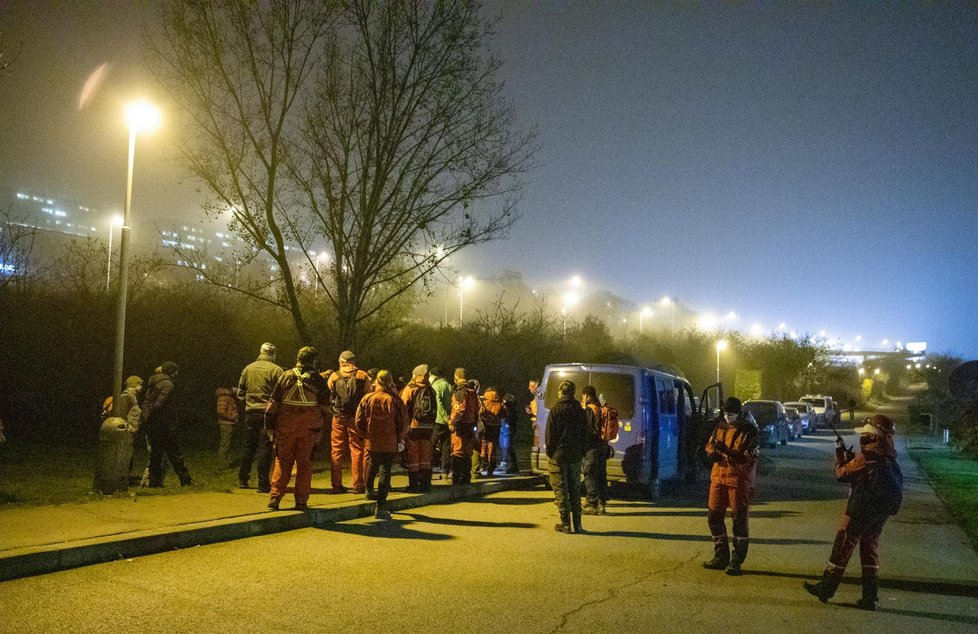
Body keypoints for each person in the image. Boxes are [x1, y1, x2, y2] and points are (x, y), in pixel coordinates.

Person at [804, 414, 903, 610]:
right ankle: (870, 597)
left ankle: (826, 588)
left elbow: (842, 474)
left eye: (866, 434)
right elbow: (864, 473)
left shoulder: (868, 455)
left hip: (861, 508)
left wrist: (840, 455)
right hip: (880, 510)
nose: (863, 437)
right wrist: (851, 458)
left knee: (843, 545)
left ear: (874, 435)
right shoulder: (887, 453)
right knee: (869, 549)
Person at [264, 346, 331, 511]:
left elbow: (272, 406)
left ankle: (275, 497)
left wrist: (270, 428)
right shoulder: (317, 380)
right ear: (314, 361)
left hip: (285, 428)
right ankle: (301, 501)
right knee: (305, 464)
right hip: (309, 430)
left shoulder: (285, 376)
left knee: (282, 461)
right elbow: (327, 408)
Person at [702, 396, 759, 575]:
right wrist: (712, 453)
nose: (728, 418)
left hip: (739, 481)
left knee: (739, 520)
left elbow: (750, 456)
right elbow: (710, 445)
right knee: (714, 517)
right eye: (726, 414)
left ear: (739, 413)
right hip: (718, 478)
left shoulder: (749, 431)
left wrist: (727, 452)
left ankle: (736, 559)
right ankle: (721, 556)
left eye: (731, 414)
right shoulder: (720, 427)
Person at [356, 370, 408, 520]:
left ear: (376, 381)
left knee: (372, 464)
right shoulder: (395, 400)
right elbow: (403, 422)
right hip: (390, 441)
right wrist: (400, 438)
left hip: (372, 440)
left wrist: (364, 435)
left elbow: (358, 420)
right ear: (390, 381)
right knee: (385, 471)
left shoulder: (367, 398)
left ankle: (369, 490)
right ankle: (381, 506)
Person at [237, 342, 283, 493]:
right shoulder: (276, 370)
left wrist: (249, 402)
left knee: (248, 446)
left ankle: (243, 479)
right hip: (267, 414)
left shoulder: (248, 368)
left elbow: (240, 393)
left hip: (250, 413)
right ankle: (263, 484)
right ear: (273, 354)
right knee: (265, 448)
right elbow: (281, 394)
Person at [142, 362, 197, 487]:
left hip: (154, 424)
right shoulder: (168, 384)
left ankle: (154, 482)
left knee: (156, 455)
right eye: (175, 370)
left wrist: (147, 418)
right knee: (175, 453)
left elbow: (148, 402)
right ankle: (185, 480)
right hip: (165, 424)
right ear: (170, 371)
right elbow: (160, 403)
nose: (177, 373)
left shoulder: (153, 383)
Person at [546, 380, 588, 533]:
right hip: (575, 455)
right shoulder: (580, 410)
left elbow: (550, 435)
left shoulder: (556, 410)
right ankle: (578, 524)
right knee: (574, 489)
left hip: (559, 455)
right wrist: (582, 452)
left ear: (560, 392)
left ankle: (565, 523)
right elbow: (585, 434)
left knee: (561, 489)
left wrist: (551, 452)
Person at [327, 350, 371, 494]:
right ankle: (358, 485)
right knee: (357, 449)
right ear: (354, 362)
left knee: (336, 450)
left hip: (338, 416)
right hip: (355, 417)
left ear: (341, 362)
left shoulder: (334, 376)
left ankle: (336, 484)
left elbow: (330, 393)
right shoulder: (363, 375)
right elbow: (367, 397)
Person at [400, 364, 437, 493]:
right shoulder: (431, 390)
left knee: (413, 456)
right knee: (426, 456)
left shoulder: (410, 389)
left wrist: (404, 426)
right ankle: (426, 484)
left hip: (414, 426)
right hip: (428, 426)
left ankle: (414, 485)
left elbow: (403, 408)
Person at [448, 368, 479, 486]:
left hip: (460, 426)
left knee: (457, 452)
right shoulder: (472, 391)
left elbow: (459, 408)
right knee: (467, 453)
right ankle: (466, 477)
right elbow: (476, 410)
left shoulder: (460, 390)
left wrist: (452, 422)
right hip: (470, 425)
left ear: (456, 377)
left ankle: (457, 477)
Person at [581, 385, 608, 515]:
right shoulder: (601, 408)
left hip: (592, 446)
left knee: (589, 474)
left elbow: (588, 430)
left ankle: (592, 504)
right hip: (602, 446)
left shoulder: (589, 409)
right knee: (601, 474)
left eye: (583, 396)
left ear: (587, 395)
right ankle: (602, 503)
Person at [429, 366, 454, 479]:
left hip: (438, 420)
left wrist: (444, 417)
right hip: (447, 421)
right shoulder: (449, 386)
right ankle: (445, 470)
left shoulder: (435, 386)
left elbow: (438, 404)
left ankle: (428, 468)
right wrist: (449, 419)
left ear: (434, 375)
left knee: (432, 444)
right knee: (446, 446)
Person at [476, 386, 506, 477]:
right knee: (492, 447)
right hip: (496, 426)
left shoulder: (483, 401)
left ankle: (481, 465)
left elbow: (479, 412)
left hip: (485, 425)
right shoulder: (500, 402)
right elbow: (504, 414)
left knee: (483, 445)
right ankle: (491, 468)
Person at [215, 385, 239, 468]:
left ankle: (226, 463)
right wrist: (232, 417)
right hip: (226, 424)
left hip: (229, 424)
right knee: (225, 445)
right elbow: (221, 411)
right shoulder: (224, 397)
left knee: (227, 445)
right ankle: (222, 465)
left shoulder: (227, 397)